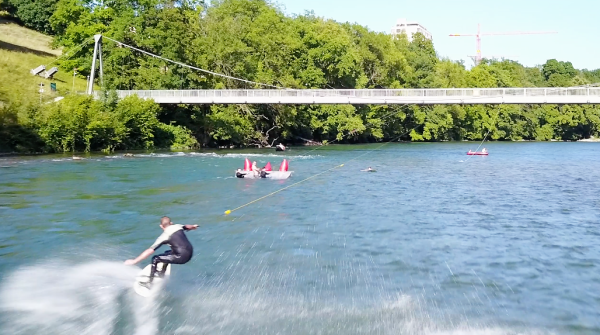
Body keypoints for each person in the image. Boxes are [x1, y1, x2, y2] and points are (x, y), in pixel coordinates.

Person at [124, 216, 198, 288]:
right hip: (190, 252)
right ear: (171, 223)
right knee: (167, 252)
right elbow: (187, 226)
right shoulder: (178, 226)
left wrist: (134, 261)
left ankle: (149, 283)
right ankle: (161, 273)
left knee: (155, 259)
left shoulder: (164, 236)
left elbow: (150, 251)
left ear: (161, 226)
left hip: (181, 257)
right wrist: (193, 226)